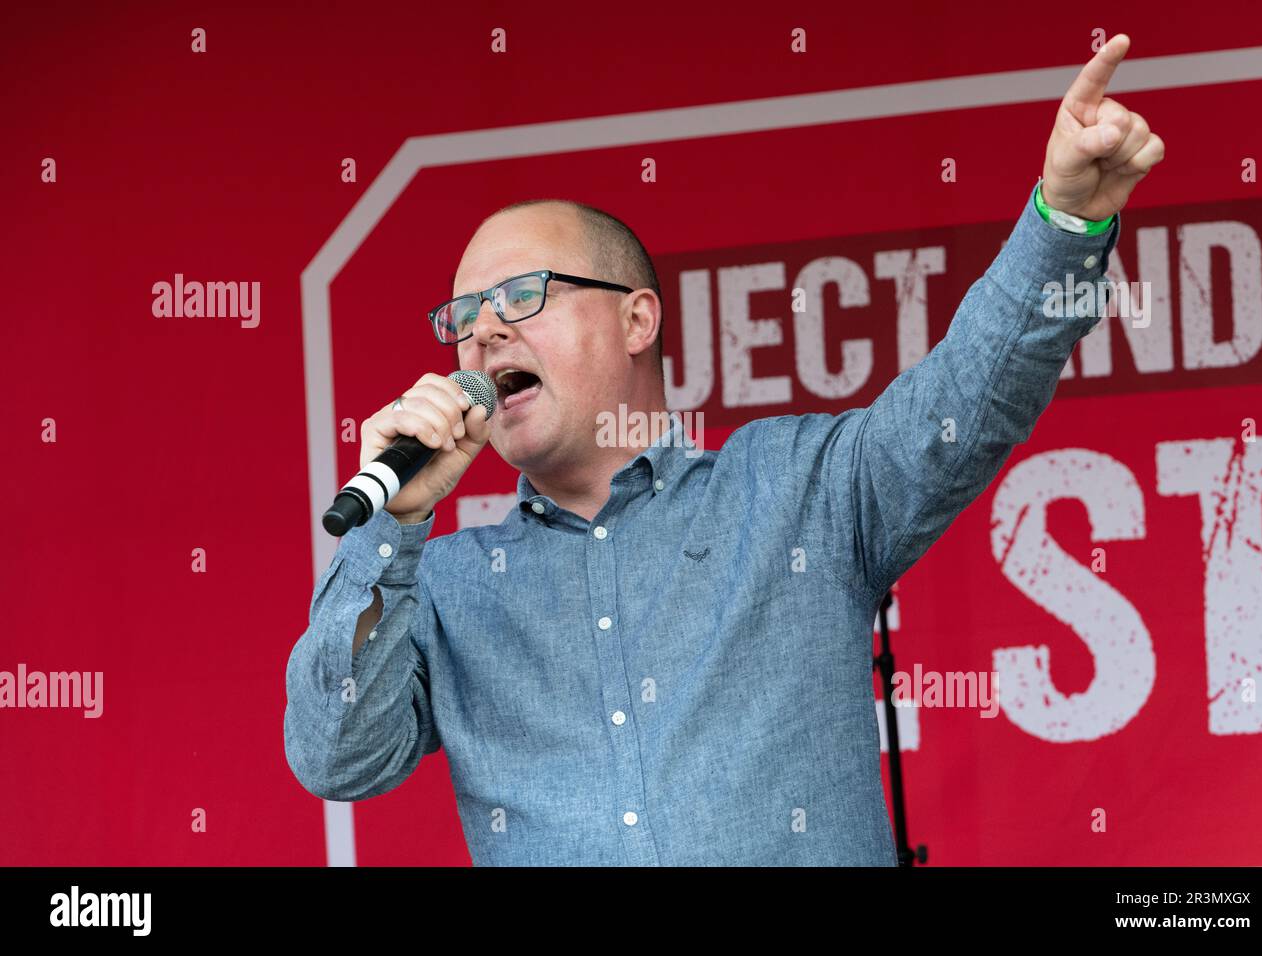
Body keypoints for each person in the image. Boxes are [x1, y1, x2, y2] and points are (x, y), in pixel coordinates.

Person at [284, 34, 1163, 865]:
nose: (481, 335)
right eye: (461, 319)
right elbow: (338, 755)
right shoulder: (446, 584)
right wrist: (391, 524)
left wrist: (1067, 221)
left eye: (521, 295)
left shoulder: (793, 492)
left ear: (636, 318)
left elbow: (968, 401)